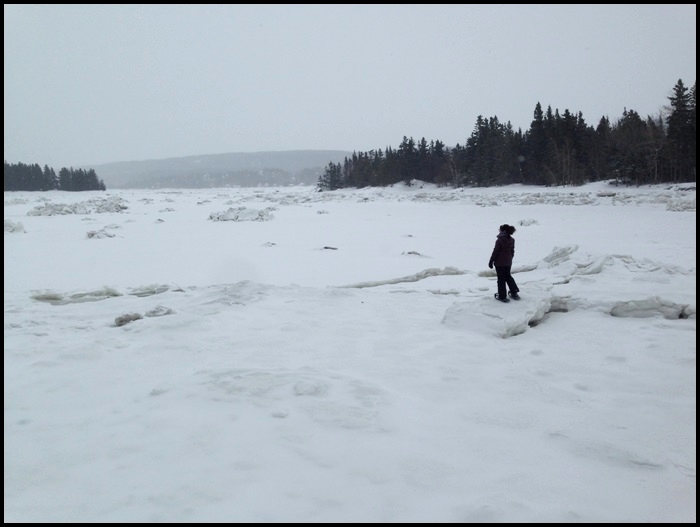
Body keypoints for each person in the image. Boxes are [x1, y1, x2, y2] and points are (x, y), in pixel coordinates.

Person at [488, 224, 520, 302]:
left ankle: (502, 296)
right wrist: (509, 259)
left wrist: (491, 261)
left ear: (503, 231)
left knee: (501, 278)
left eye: (500, 229)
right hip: (508, 262)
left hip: (499, 263)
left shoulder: (499, 240)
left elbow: (495, 251)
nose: (499, 230)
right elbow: (512, 251)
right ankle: (514, 292)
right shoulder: (512, 240)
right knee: (508, 276)